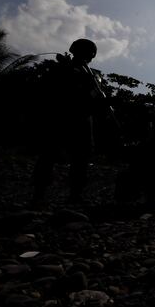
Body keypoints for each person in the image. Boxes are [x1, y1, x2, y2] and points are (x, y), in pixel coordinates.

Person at [32, 38, 107, 205]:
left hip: (82, 119)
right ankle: (39, 194)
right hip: (62, 117)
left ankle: (74, 195)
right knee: (49, 156)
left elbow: (94, 101)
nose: (86, 57)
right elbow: (52, 93)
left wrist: (97, 97)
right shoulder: (63, 69)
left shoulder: (93, 75)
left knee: (80, 160)